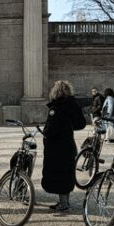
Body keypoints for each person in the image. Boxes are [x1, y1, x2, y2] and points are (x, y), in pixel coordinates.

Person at [41, 80, 86, 212]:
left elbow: (51, 130)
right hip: (69, 144)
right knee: (67, 173)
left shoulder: (56, 108)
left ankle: (63, 203)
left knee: (58, 173)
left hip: (56, 147)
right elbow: (81, 123)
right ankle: (65, 201)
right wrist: (68, 126)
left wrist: (45, 133)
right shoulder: (72, 104)